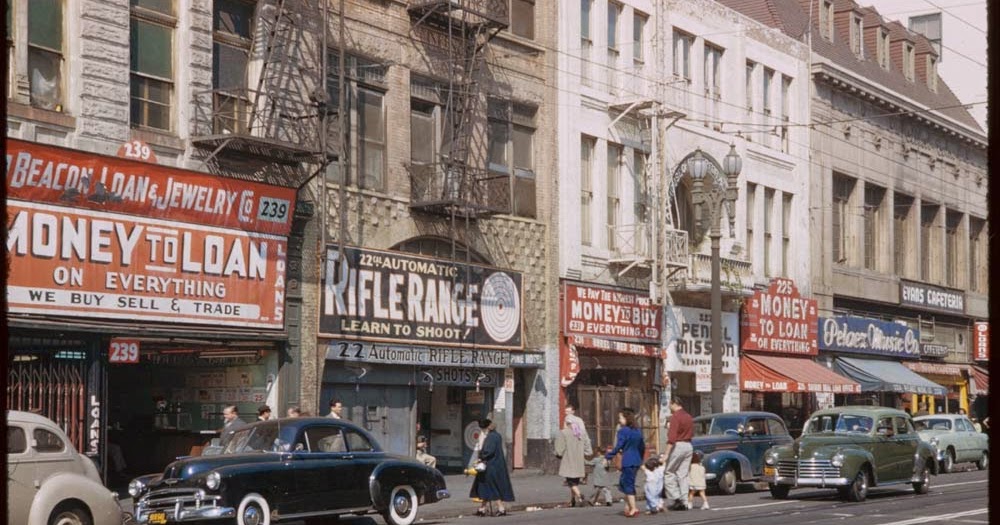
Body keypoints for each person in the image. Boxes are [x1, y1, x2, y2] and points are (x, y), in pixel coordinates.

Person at [470, 419, 515, 516]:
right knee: (485, 486)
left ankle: (501, 508)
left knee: (491, 486)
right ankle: (482, 509)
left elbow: (488, 451)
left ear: (485, 428)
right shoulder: (496, 435)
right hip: (495, 465)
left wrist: (480, 456)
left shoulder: (491, 437)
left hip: (491, 465)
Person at [605, 408, 644, 517]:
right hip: (636, 460)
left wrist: (609, 455)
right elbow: (642, 446)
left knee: (627, 485)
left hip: (628, 460)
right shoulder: (637, 431)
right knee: (624, 483)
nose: (619, 420)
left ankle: (634, 508)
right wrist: (640, 458)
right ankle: (628, 506)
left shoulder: (623, 431)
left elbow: (619, 446)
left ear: (627, 418)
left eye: (620, 418)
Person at [555, 404, 593, 507]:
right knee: (575, 481)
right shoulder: (581, 433)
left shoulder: (564, 433)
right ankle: (573, 500)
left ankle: (580, 496)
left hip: (569, 460)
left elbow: (559, 448)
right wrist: (588, 452)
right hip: (579, 460)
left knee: (570, 482)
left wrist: (558, 454)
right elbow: (587, 445)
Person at [661, 397, 693, 511]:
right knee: (683, 475)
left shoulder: (675, 417)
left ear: (674, 404)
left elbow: (672, 438)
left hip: (677, 446)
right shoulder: (689, 416)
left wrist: (665, 455)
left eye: (670, 405)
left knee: (669, 472)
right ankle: (685, 502)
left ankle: (676, 499)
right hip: (688, 445)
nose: (669, 407)